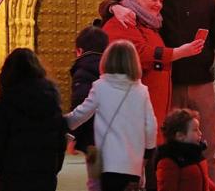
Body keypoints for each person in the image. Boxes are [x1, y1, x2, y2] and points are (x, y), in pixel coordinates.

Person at [100, 0, 215, 190]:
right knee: (168, 150)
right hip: (170, 87)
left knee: (209, 149)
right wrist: (113, 7)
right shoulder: (153, 1)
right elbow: (123, 2)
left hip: (203, 84)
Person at [102, 0, 204, 191]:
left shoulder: (150, 25)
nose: (158, 5)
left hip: (151, 118)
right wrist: (176, 53)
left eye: (161, 0)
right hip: (131, 120)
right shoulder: (122, 22)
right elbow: (137, 53)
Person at [66, 40, 157, 191]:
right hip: (132, 164)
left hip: (106, 163)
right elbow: (151, 127)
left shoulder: (100, 87)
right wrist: (147, 152)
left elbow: (80, 114)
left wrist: (58, 121)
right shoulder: (141, 91)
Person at [0, 48, 67, 191]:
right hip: (44, 173)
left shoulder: (4, 105)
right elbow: (60, 138)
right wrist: (54, 168)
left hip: (13, 175)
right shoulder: (51, 101)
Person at [69, 25, 109, 191]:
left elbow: (81, 104)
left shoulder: (82, 70)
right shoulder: (114, 69)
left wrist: (72, 135)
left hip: (93, 137)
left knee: (95, 181)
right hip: (115, 135)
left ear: (79, 51)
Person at [156, 108, 215, 191]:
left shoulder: (196, 154)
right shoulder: (169, 161)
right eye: (195, 130)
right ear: (180, 136)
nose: (200, 133)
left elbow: (205, 179)